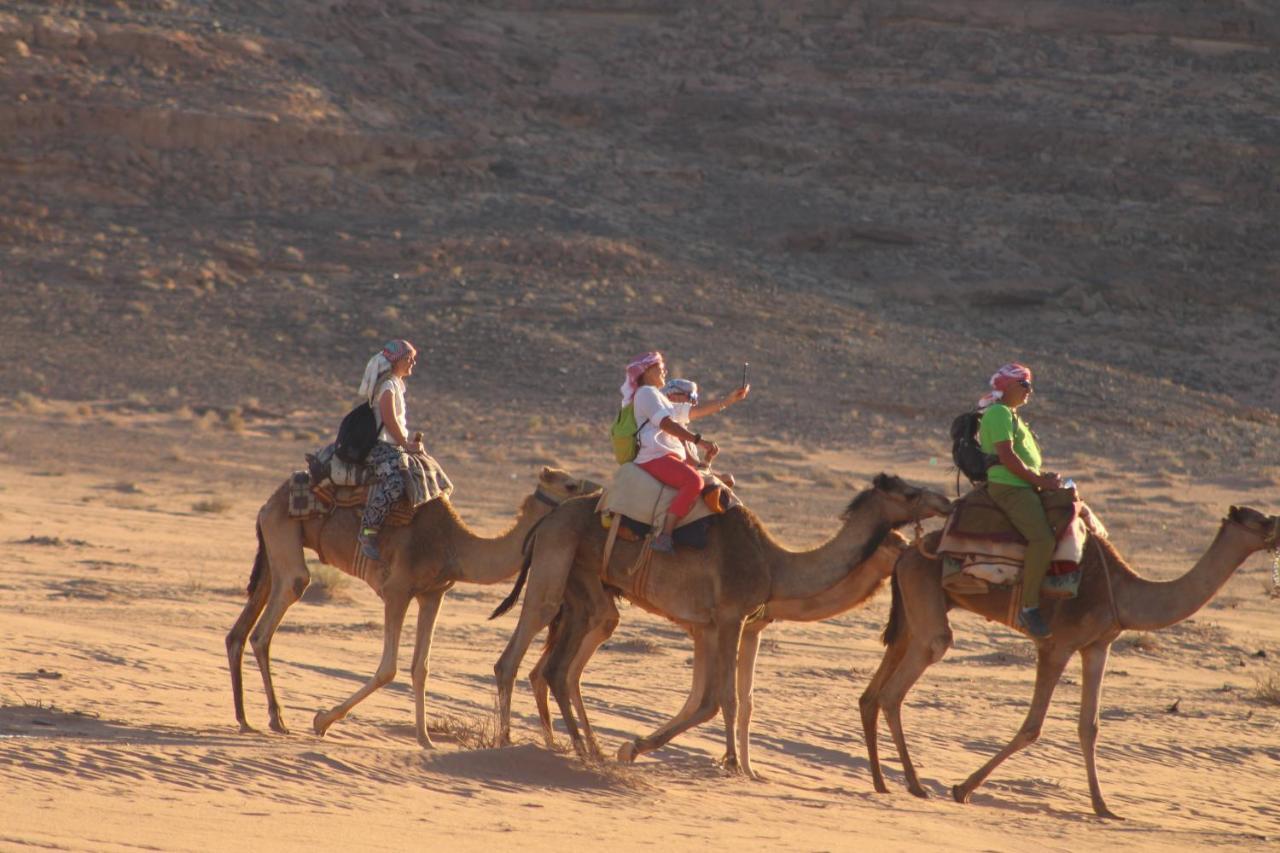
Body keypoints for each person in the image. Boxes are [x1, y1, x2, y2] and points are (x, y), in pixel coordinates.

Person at [622, 352, 749, 553]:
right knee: (694, 481)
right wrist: (699, 441)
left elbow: (694, 412)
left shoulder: (660, 400)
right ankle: (665, 536)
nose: (664, 370)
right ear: (646, 371)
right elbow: (666, 425)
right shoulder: (646, 393)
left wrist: (729, 400)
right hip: (655, 457)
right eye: (659, 367)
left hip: (668, 458)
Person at [977, 362, 1062, 639]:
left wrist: (1042, 478)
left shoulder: (1011, 415)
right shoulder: (999, 413)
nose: (1029, 390)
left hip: (1023, 484)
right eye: (1025, 384)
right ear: (1009, 386)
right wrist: (1039, 482)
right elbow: (1007, 457)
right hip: (1010, 487)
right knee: (1043, 540)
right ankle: (1029, 607)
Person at [356, 339, 424, 561]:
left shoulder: (395, 385)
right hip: (381, 449)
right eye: (410, 358)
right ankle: (368, 531)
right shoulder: (387, 386)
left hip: (393, 446)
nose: (413, 362)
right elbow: (388, 419)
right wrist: (406, 445)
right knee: (395, 483)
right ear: (398, 360)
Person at [661, 377, 744, 487]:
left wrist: (707, 460)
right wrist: (728, 400)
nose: (694, 402)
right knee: (726, 480)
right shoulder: (670, 416)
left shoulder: (684, 432)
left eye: (695, 397)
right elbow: (693, 468)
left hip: (680, 475)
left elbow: (699, 469)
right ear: (672, 396)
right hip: (669, 475)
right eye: (691, 396)